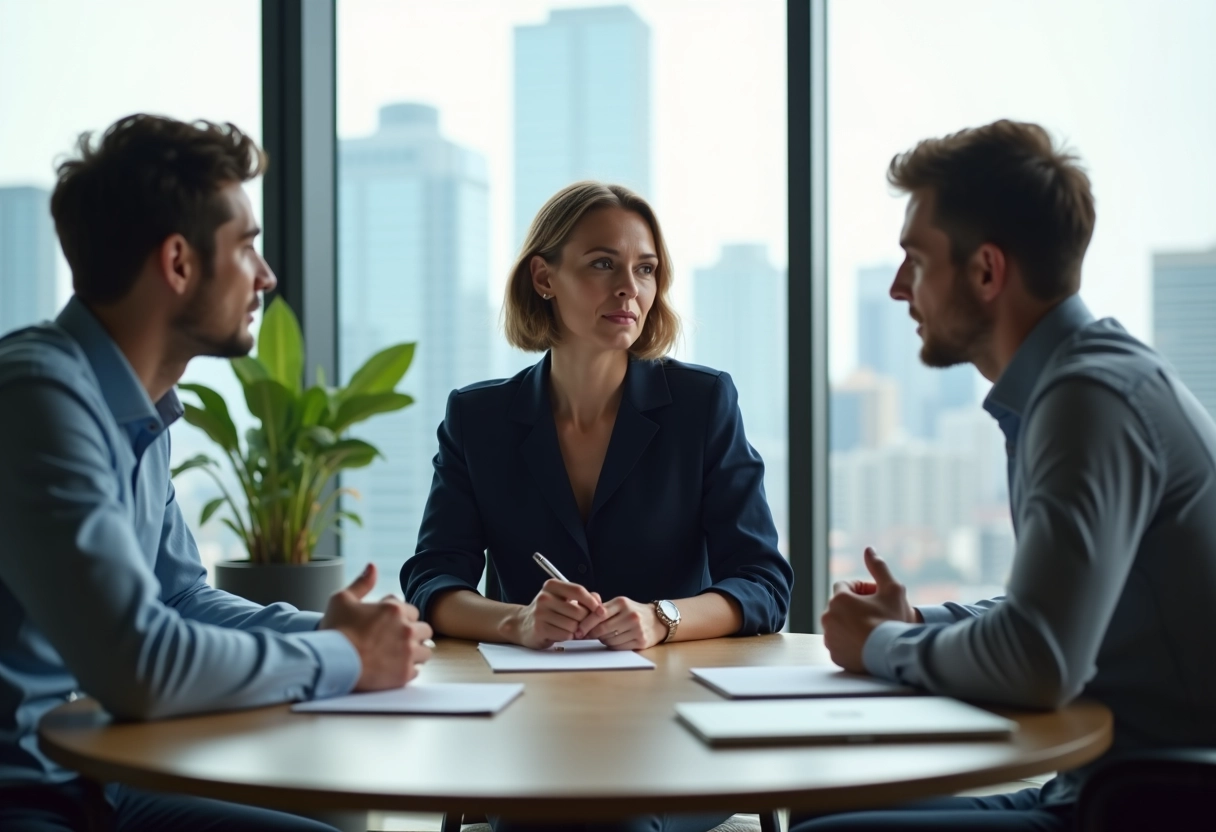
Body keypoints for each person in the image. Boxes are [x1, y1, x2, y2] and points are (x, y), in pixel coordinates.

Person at [0, 114, 434, 832]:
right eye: (247, 247)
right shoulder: (38, 399)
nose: (266, 276)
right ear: (178, 264)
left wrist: (331, 628)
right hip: (27, 794)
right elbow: (139, 664)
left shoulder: (139, 414)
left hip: (102, 780)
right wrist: (341, 656)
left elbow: (178, 598)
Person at [798, 119, 1216, 831]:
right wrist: (913, 621)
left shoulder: (1088, 400)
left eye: (917, 262)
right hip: (1100, 786)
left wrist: (879, 645)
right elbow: (1046, 614)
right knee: (825, 803)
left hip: (1147, 806)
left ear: (987, 271)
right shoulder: (1076, 383)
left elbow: (1039, 659)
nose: (901, 288)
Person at [401, 181, 793, 832]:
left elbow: (763, 583)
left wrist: (659, 618)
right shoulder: (479, 417)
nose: (629, 288)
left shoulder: (702, 404)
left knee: (609, 821)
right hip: (530, 724)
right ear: (544, 277)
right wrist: (517, 623)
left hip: (679, 724)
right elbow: (431, 582)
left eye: (645, 269)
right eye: (603, 263)